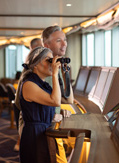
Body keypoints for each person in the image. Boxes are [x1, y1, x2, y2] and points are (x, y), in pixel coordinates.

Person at [18, 46, 61, 163]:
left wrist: (54, 115)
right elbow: (55, 101)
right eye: (48, 60)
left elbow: (45, 107)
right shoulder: (29, 85)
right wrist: (55, 74)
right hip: (34, 136)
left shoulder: (42, 85)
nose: (52, 64)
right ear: (35, 65)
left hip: (42, 133)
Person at [42, 25, 74, 163]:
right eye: (59, 40)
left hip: (54, 122)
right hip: (44, 127)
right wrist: (52, 112)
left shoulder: (56, 65)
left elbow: (69, 100)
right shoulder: (41, 68)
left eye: (65, 40)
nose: (64, 44)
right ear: (46, 45)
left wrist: (65, 71)